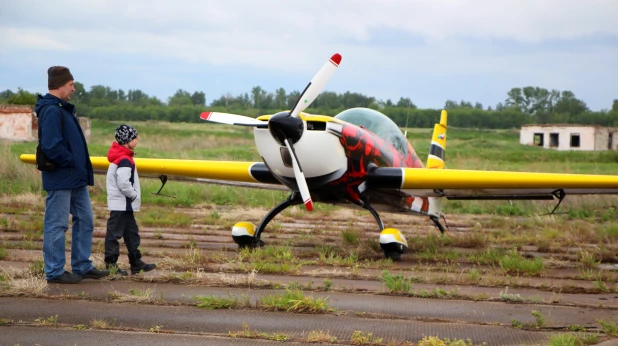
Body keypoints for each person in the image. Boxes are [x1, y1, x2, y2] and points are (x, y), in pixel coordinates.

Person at [35, 66, 109, 284]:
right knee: (57, 224)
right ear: (59, 85)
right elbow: (51, 146)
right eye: (70, 84)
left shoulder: (62, 108)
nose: (74, 89)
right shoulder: (51, 110)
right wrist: (70, 161)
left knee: (85, 219)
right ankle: (55, 271)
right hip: (61, 177)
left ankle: (82, 265)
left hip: (74, 178)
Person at [104, 124, 156, 275]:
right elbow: (124, 183)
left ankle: (136, 263)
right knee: (114, 234)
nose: (137, 140)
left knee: (131, 232)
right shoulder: (125, 160)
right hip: (122, 203)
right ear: (127, 140)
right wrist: (134, 195)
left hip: (124, 204)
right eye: (134, 138)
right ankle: (111, 266)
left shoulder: (122, 158)